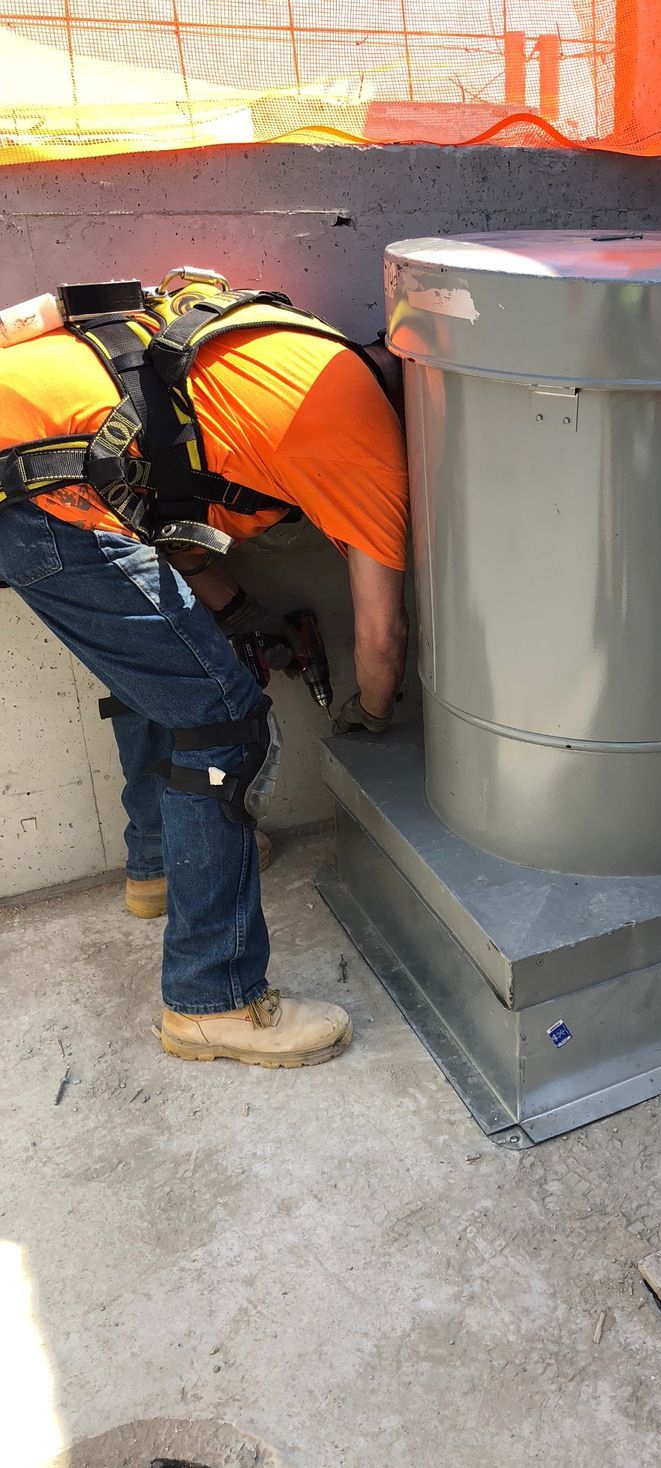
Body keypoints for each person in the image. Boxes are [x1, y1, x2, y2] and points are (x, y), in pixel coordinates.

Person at [0, 276, 409, 1068]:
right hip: (49, 498)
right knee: (225, 724)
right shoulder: (373, 450)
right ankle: (213, 999)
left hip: (42, 465)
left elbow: (165, 502)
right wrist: (372, 716)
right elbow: (382, 641)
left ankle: (158, 867)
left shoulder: (280, 335)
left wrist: (238, 615)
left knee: (164, 678)